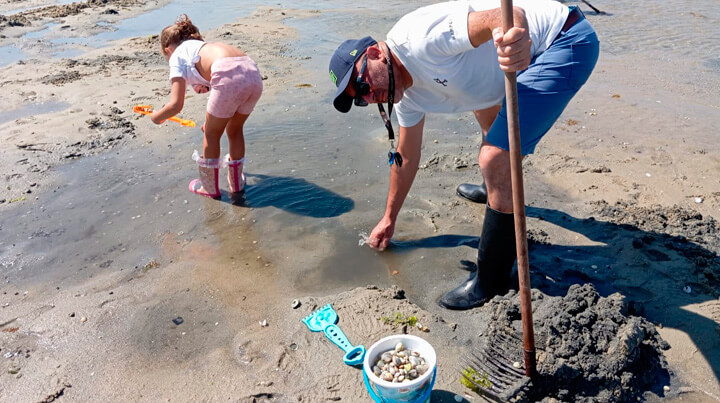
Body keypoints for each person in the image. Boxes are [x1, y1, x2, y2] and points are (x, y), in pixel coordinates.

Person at [328, 0, 598, 309]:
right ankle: (493, 190)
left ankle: (492, 280)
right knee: (479, 101)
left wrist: (517, 37)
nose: (369, 96)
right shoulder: (404, 97)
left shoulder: (419, 39)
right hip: (505, 73)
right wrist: (389, 219)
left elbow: (506, 15)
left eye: (362, 85)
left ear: (376, 53)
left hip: (562, 41)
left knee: (494, 159)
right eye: (360, 100)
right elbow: (407, 155)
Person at [151, 14, 263, 199]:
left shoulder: (176, 56)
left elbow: (176, 105)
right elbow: (227, 85)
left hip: (227, 74)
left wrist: (157, 117)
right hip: (253, 73)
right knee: (235, 130)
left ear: (167, 50)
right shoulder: (200, 48)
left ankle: (209, 188)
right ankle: (237, 184)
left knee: (211, 134)